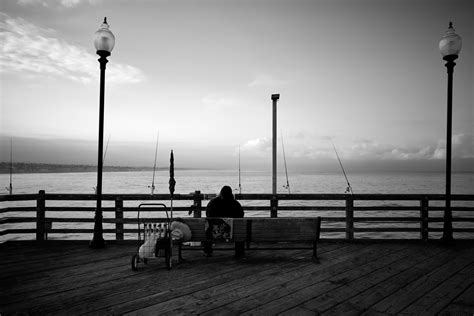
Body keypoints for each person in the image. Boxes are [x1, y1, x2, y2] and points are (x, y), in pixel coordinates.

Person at [204, 185, 244, 257]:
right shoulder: (236, 204)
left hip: (215, 232)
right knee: (239, 229)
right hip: (232, 232)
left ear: (221, 193)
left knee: (209, 226)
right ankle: (239, 252)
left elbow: (208, 214)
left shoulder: (213, 203)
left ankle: (208, 251)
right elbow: (241, 215)